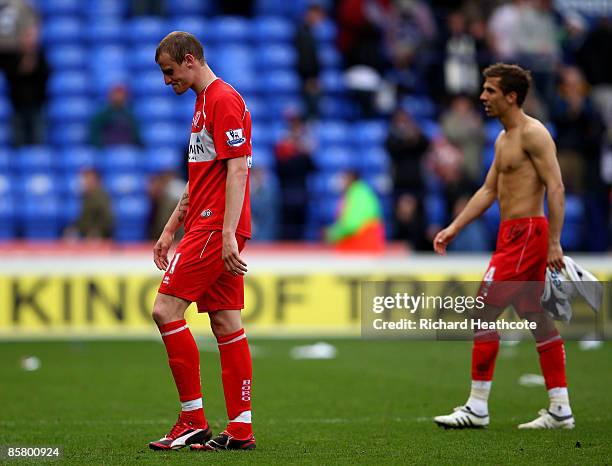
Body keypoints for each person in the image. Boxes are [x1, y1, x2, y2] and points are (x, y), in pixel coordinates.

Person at [432, 63, 573, 429]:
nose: (482, 97)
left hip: (527, 234)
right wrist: (454, 228)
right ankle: (560, 409)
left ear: (511, 96)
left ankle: (477, 407)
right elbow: (488, 190)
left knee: (482, 313)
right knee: (536, 319)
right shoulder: (503, 138)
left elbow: (556, 187)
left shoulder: (533, 134)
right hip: (513, 235)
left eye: (490, 91)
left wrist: (555, 242)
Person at [148, 32, 255, 452]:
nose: (166, 80)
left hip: (214, 228)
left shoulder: (223, 99)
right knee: (226, 322)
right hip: (206, 225)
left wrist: (227, 232)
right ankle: (241, 430)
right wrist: (170, 227)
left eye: (169, 71)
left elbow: (237, 171)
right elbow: (201, 180)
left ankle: (192, 419)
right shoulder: (202, 103)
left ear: (189, 60)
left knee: (165, 309)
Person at [63, 168, 114, 239]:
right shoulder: (86, 196)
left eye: (87, 179)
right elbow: (84, 219)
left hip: (98, 239)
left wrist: (96, 232)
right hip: (85, 235)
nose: (83, 182)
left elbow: (108, 220)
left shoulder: (100, 196)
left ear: (95, 180)